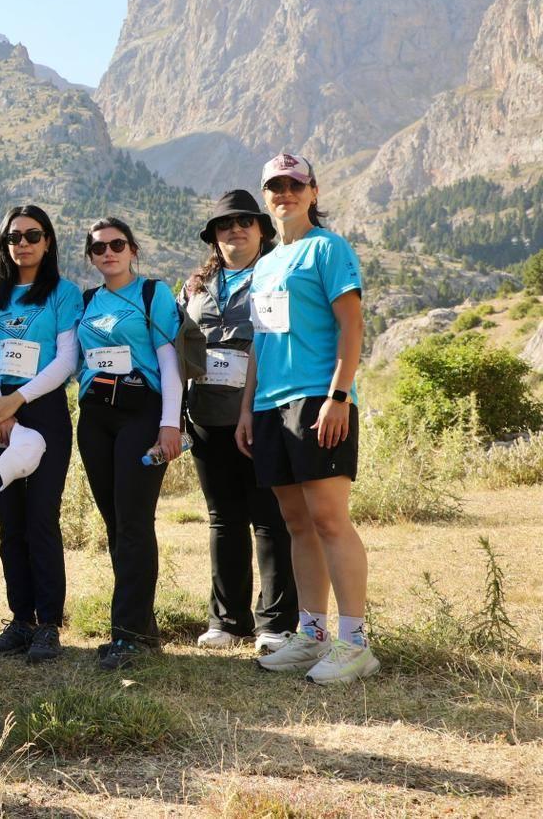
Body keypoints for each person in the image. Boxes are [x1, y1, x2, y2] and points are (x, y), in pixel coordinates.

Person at [236, 154, 376, 685]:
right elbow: (260, 342)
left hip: (319, 397)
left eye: (295, 184)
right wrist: (248, 408)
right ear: (265, 195)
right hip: (271, 407)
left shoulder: (329, 248)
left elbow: (352, 326)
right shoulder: (266, 264)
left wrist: (339, 396)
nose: (285, 193)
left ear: (313, 191)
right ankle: (312, 634)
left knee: (329, 519)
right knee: (296, 522)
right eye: (275, 185)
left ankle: (355, 643)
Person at [181, 191, 296, 654]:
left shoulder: (275, 276)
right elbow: (181, 346)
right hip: (206, 415)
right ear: (213, 236)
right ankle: (227, 622)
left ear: (262, 230)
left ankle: (276, 624)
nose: (235, 230)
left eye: (246, 221)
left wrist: (256, 409)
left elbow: (277, 344)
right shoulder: (196, 286)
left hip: (263, 413)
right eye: (225, 224)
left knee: (270, 520)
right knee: (223, 520)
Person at [74, 218, 184, 671]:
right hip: (95, 418)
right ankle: (142, 627)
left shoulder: (152, 294)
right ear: (91, 257)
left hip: (143, 414)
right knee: (116, 524)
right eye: (99, 248)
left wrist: (169, 424)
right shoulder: (86, 301)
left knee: (135, 521)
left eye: (117, 244)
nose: (108, 253)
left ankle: (127, 636)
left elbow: (169, 360)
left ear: (133, 249)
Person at [0, 206, 82, 664]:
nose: (22, 244)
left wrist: (16, 401)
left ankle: (49, 625)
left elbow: (66, 359)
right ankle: (21, 620)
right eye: (13, 237)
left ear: (48, 241)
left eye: (32, 235)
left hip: (42, 409)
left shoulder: (63, 293)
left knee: (41, 518)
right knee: (10, 522)